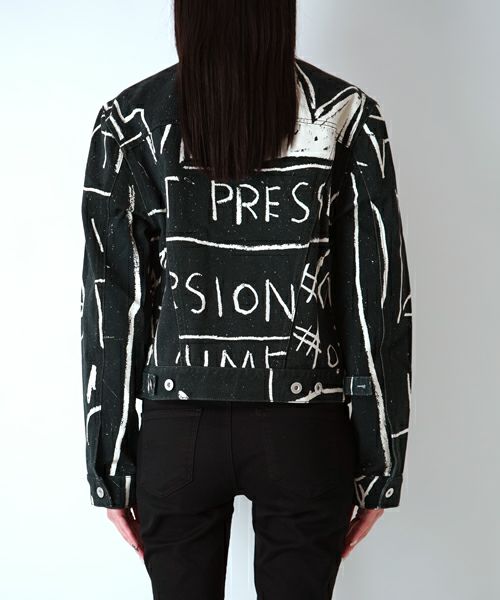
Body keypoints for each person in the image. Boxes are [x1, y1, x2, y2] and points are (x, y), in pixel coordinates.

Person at [79, 1, 412, 597]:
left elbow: (113, 303)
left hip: (177, 431)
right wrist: (380, 463)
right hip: (304, 429)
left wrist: (109, 469)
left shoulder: (129, 122)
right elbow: (375, 299)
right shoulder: (348, 116)